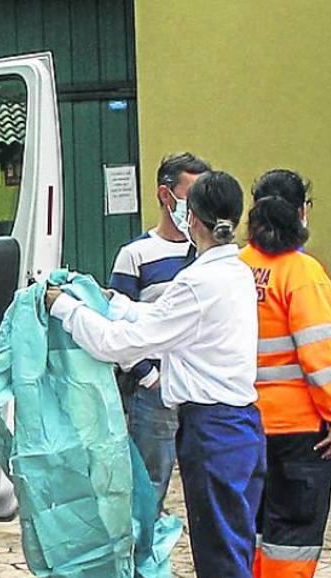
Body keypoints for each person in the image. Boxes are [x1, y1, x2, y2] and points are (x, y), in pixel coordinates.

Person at [46, 171, 268, 578]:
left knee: (224, 564)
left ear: (193, 218)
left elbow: (126, 343)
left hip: (213, 431)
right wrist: (101, 298)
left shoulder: (202, 282)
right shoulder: (231, 274)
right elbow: (151, 318)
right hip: (235, 426)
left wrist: (65, 310)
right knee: (228, 555)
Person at [240, 170, 331, 578]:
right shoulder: (302, 273)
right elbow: (318, 353)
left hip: (244, 421)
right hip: (298, 427)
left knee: (255, 528)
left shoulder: (235, 267)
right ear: (302, 212)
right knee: (293, 532)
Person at [110, 152, 212, 515]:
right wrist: (149, 378)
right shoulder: (135, 255)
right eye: (191, 196)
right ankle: (143, 558)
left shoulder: (209, 256)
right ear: (166, 196)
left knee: (208, 486)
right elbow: (118, 323)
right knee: (149, 485)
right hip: (155, 392)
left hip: (202, 389)